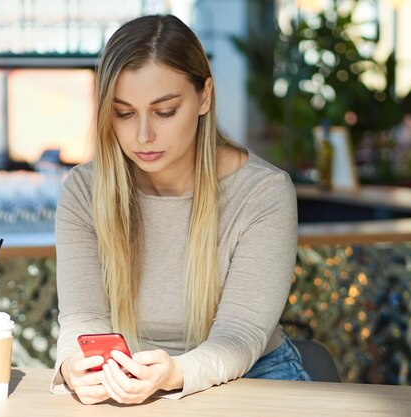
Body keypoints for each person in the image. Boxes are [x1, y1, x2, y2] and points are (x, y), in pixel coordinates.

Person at [50, 14, 309, 404]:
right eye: (123, 113)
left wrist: (176, 372)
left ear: (204, 96)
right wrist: (74, 364)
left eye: (165, 111)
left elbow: (239, 336)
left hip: (255, 379)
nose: (143, 135)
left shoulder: (263, 193)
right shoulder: (84, 191)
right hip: (132, 382)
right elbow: (82, 319)